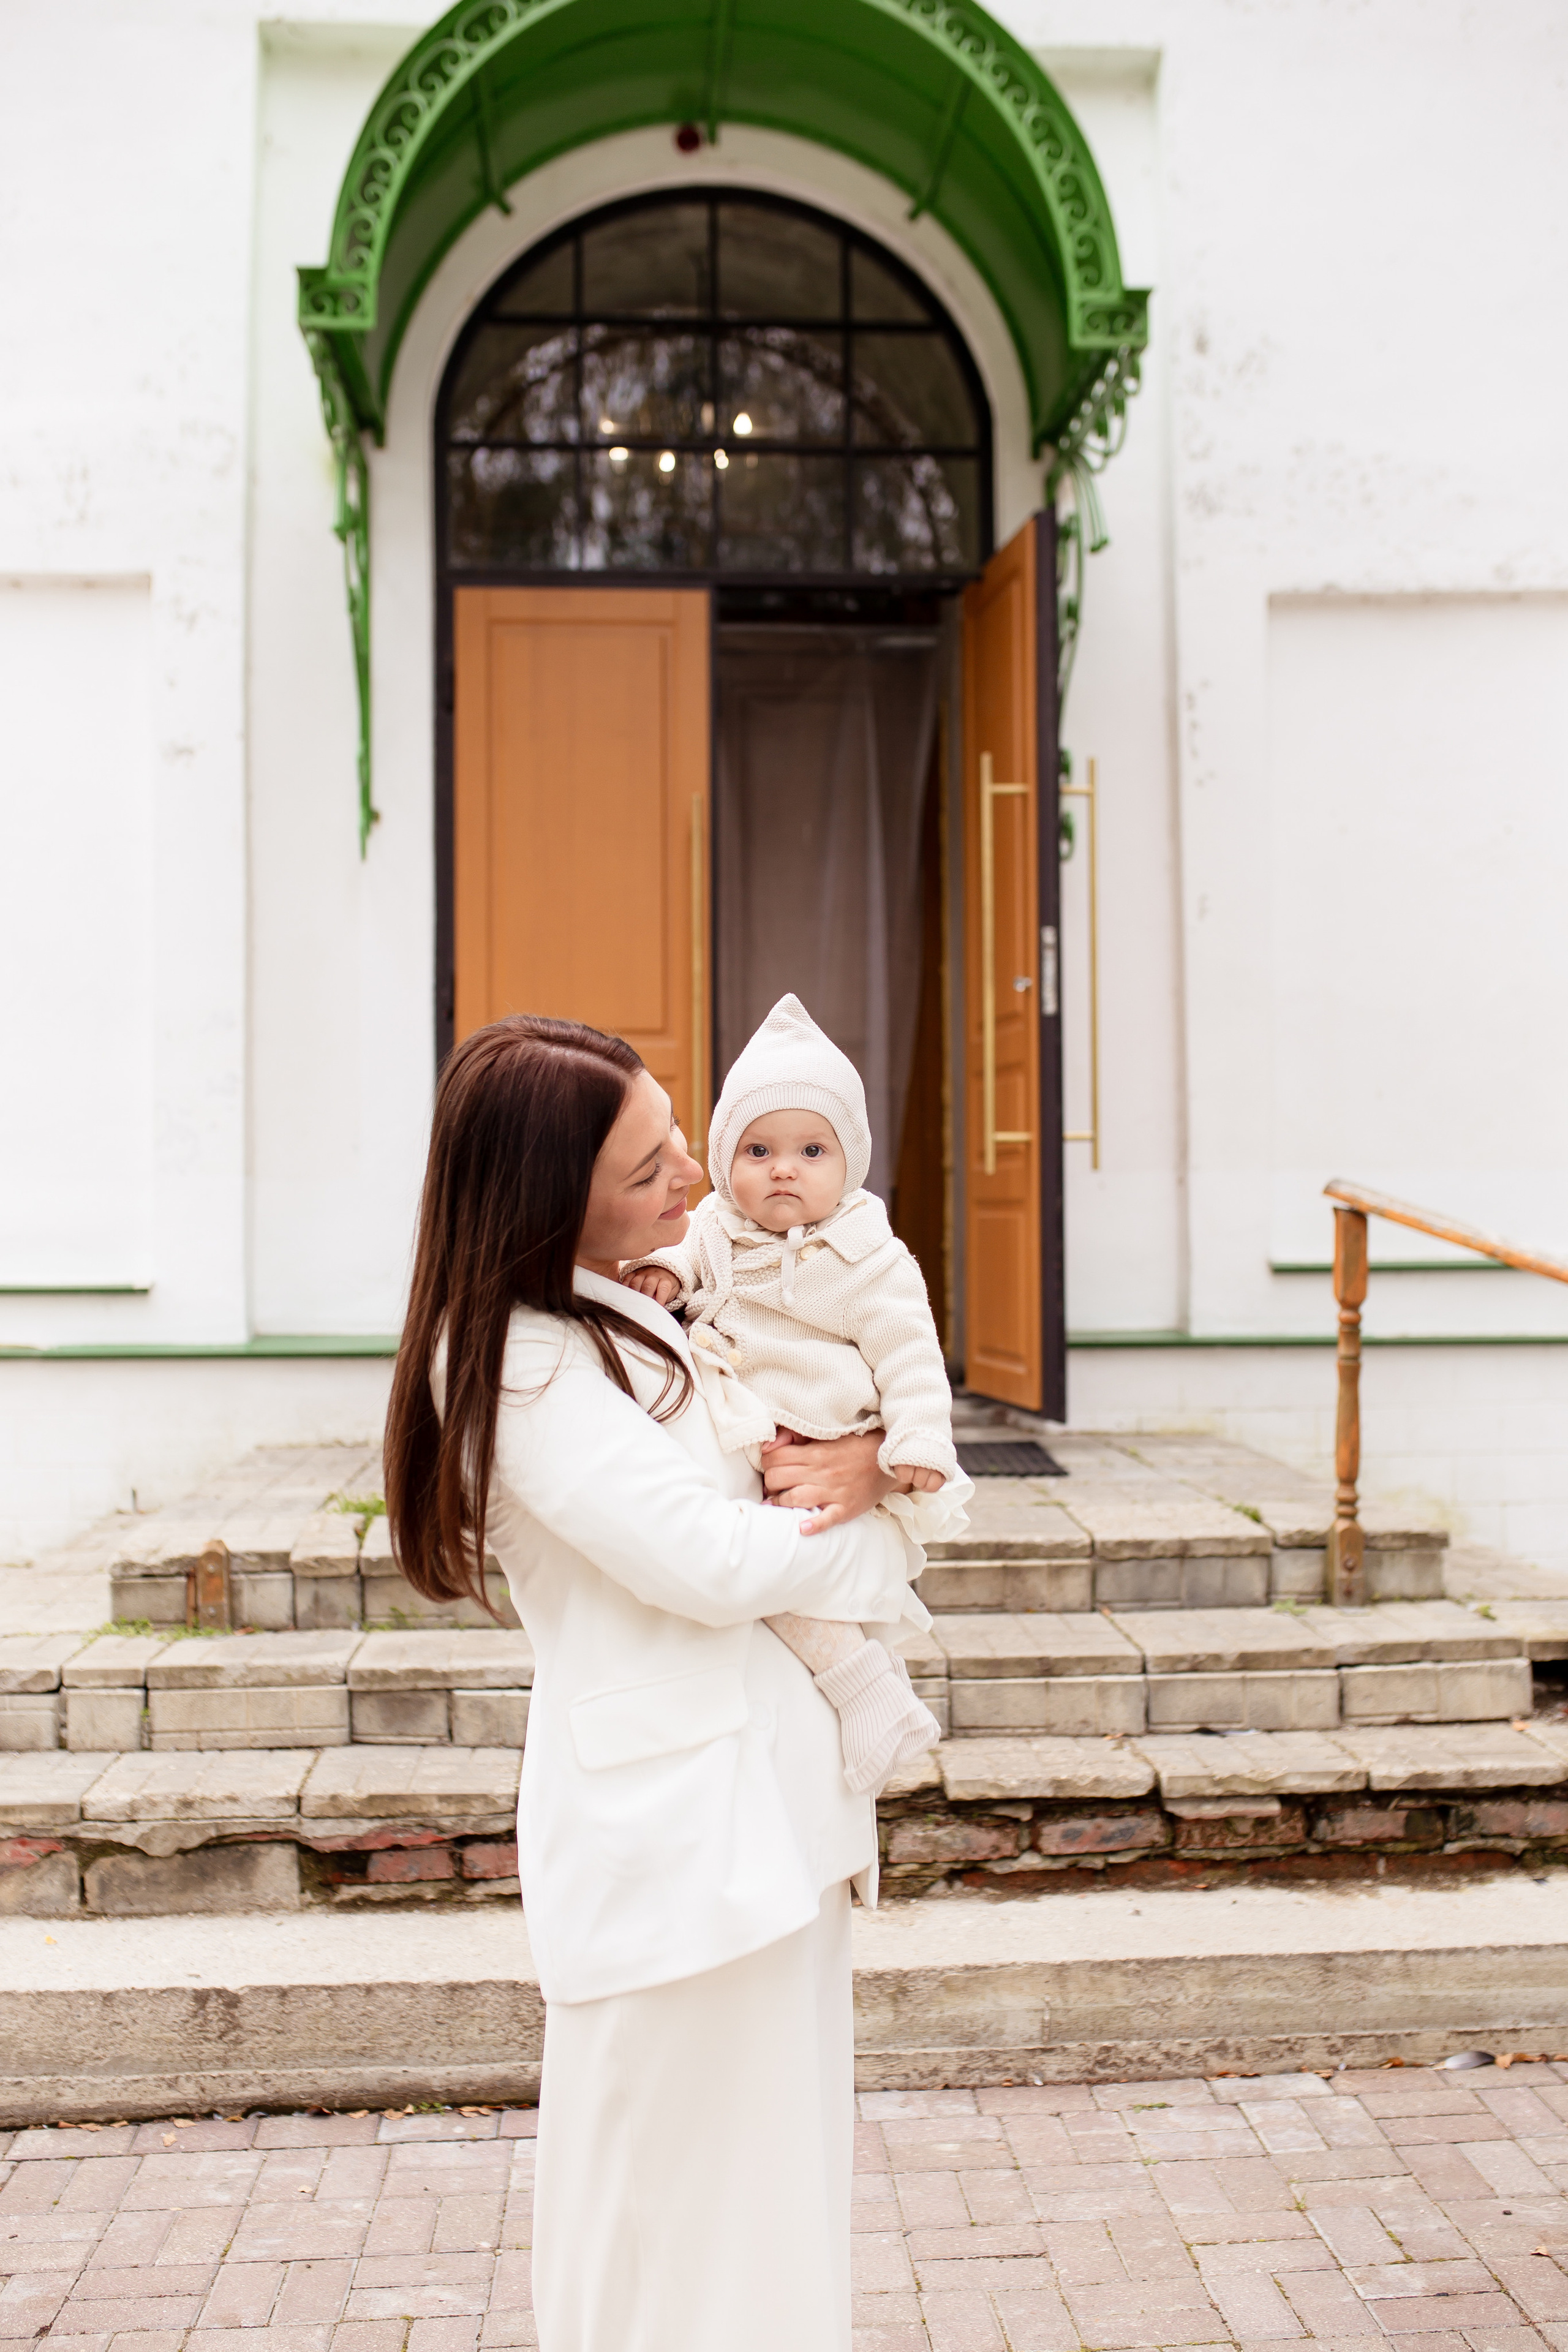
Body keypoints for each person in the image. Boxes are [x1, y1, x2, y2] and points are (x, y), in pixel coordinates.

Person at [382, 1012, 918, 2352]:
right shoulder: (518, 1360)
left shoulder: (639, 1304)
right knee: (664, 2226)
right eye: (648, 1168)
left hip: (768, 1827)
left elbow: (791, 1458)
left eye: (680, 1135)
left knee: (769, 2209)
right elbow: (712, 1560)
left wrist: (868, 1460)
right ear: (545, 1205)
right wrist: (880, 1530)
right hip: (677, 1856)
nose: (695, 1174)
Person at [626, 992, 970, 1791]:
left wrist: (916, 1439)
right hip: (748, 1428)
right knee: (756, 1561)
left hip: (823, 1433)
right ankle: (867, 1686)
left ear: (851, 1164)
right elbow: (685, 1258)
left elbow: (912, 1356)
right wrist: (664, 1271)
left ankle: (864, 1686)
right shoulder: (714, 1226)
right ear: (725, 1163)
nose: (784, 1168)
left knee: (781, 1559)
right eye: (758, 1150)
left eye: (812, 1150)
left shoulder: (870, 1258)